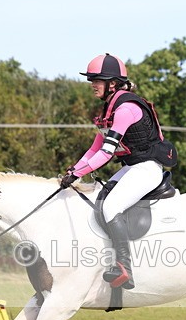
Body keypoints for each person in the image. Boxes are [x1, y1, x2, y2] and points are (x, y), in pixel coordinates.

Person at [60, 53, 177, 290]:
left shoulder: (125, 109)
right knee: (97, 200)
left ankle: (125, 267)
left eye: (97, 80)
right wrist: (74, 170)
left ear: (112, 83)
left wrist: (78, 173)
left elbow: (105, 153)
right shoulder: (109, 110)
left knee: (112, 206)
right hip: (133, 168)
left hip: (147, 169)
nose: (92, 85)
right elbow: (94, 148)